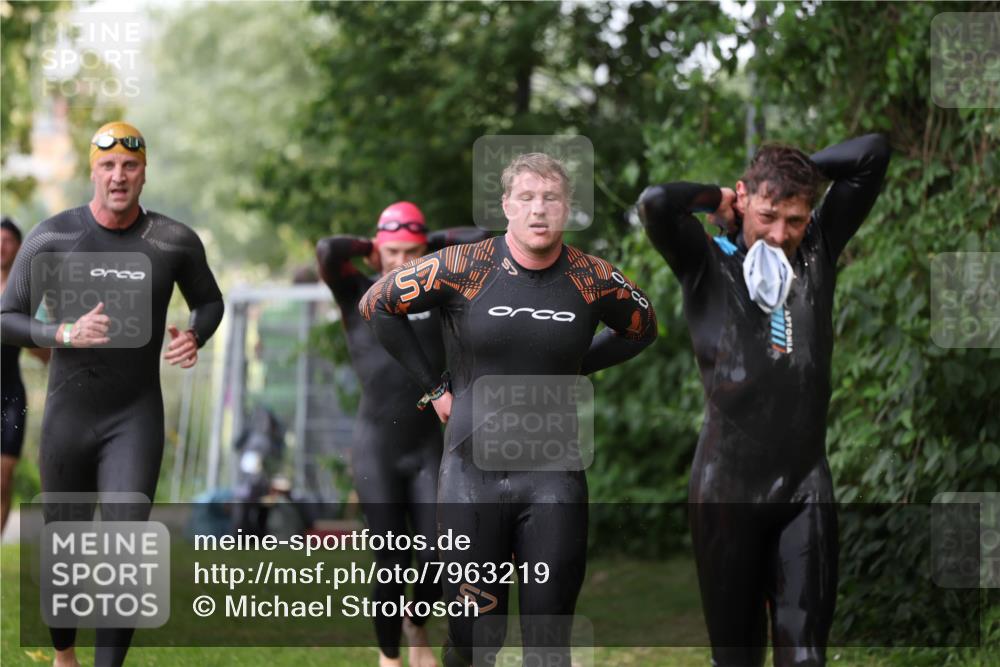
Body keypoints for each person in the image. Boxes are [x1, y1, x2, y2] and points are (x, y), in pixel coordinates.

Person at [361, 154, 658, 666]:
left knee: (548, 641)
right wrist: (434, 388)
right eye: (526, 197)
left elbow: (642, 327)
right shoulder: (463, 265)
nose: (538, 210)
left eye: (551, 198)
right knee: (476, 640)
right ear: (506, 206)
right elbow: (378, 304)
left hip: (554, 481)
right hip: (471, 477)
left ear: (568, 208)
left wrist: (577, 366)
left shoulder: (593, 279)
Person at [637, 134, 890, 666]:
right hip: (725, 491)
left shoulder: (819, 246)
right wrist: (717, 200)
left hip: (804, 488)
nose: (779, 235)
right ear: (746, 199)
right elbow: (657, 202)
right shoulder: (705, 260)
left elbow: (873, 153)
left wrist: (793, 172)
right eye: (768, 214)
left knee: (805, 657)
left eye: (794, 219)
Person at [0, 121, 224, 667]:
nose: (118, 176)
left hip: (135, 415)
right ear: (93, 171)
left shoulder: (173, 241)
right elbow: (6, 318)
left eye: (129, 166)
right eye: (108, 166)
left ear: (144, 173)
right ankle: (64, 654)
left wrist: (195, 334)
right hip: (69, 416)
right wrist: (63, 333)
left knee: (127, 545)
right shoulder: (52, 237)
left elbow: (209, 301)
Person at [316, 201, 488, 667]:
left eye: (411, 251)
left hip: (428, 446)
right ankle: (389, 656)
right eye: (392, 252)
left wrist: (429, 247)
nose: (402, 262)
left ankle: (416, 621)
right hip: (378, 449)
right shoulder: (358, 292)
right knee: (391, 561)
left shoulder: (439, 294)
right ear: (377, 252)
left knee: (439, 551)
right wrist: (372, 246)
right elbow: (329, 249)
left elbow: (486, 236)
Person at [1, 217, 50, 534]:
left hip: (8, 397)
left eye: (7, 240)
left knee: (2, 478)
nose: (1, 246)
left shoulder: (25, 295)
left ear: (18, 248)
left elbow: (45, 351)